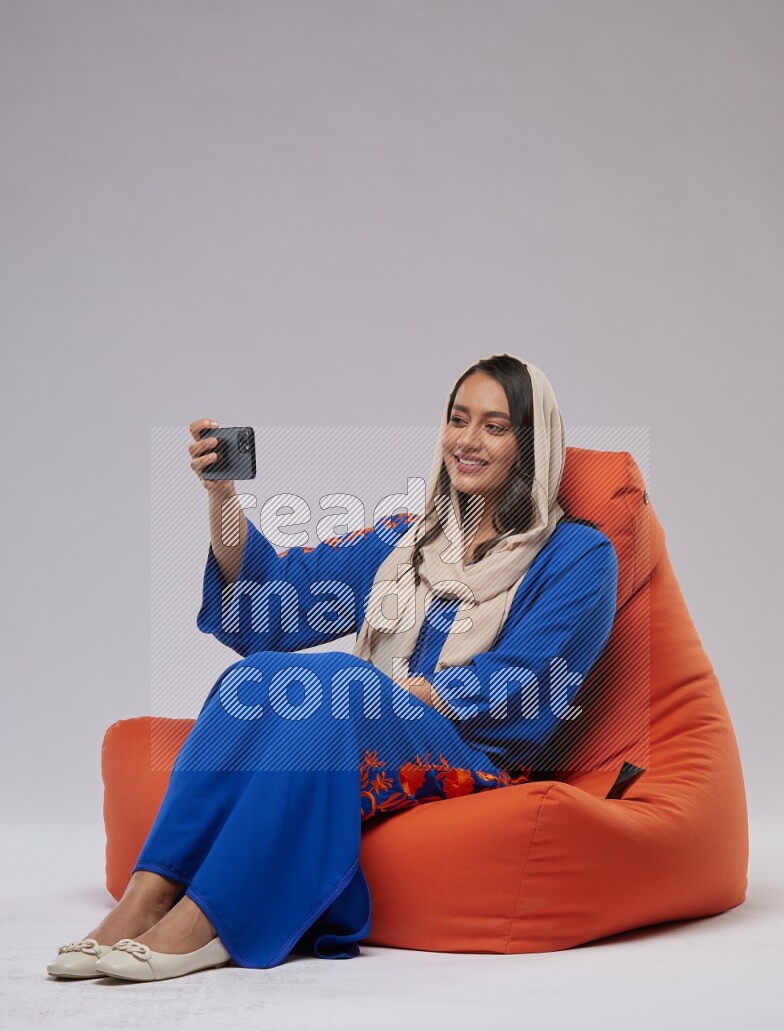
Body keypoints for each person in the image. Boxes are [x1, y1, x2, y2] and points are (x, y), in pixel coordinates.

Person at [47, 353, 619, 983]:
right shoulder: (413, 539)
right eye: (459, 420)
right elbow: (278, 601)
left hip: (469, 756)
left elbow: (537, 684)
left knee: (339, 687)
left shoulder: (577, 555)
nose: (467, 441)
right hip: (365, 716)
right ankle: (146, 898)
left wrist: (418, 690)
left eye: (495, 426)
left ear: (532, 444)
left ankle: (213, 922)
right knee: (257, 675)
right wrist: (223, 497)